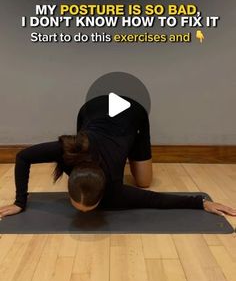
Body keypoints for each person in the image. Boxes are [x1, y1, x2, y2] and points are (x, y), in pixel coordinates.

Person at [0, 95, 236, 219]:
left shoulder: (114, 187)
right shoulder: (68, 149)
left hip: (131, 113)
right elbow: (22, 157)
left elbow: (154, 199)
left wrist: (201, 203)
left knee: (143, 181)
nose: (85, 216)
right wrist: (19, 202)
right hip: (92, 108)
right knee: (92, 133)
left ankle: (132, 145)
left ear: (104, 193)